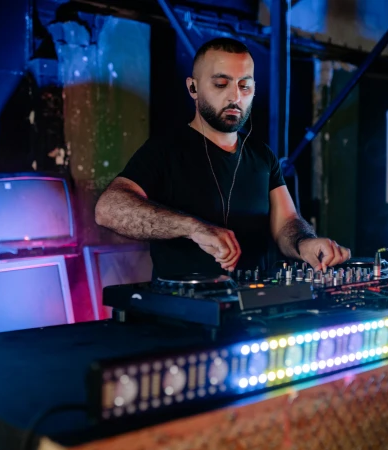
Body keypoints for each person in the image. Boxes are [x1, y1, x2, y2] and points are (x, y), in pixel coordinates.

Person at [95, 37, 350, 278]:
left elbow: (286, 223)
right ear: (193, 88)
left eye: (244, 85)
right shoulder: (166, 149)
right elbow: (108, 209)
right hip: (187, 311)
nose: (235, 97)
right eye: (221, 84)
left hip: (253, 308)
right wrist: (193, 228)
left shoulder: (262, 156)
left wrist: (305, 243)